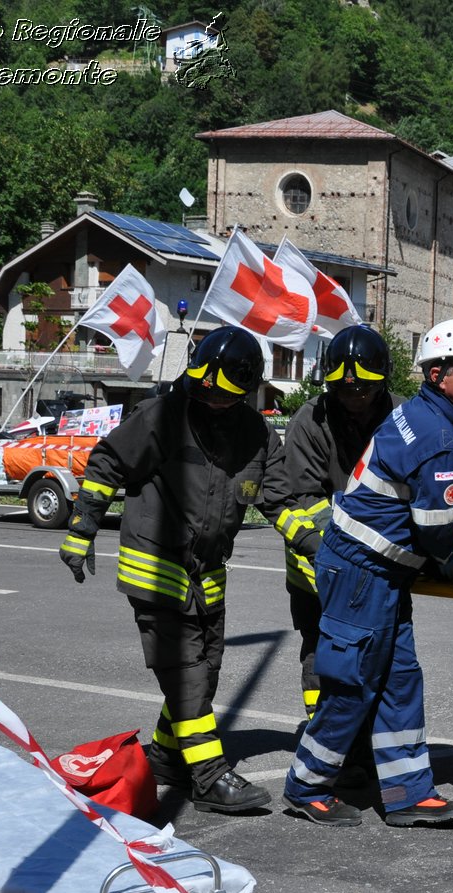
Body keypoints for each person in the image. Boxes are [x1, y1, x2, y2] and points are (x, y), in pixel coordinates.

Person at [60, 325, 319, 814]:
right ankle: (208, 777)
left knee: (208, 670)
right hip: (154, 565)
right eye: (204, 389)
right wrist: (81, 531)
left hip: (208, 573)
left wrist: (314, 544)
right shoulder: (162, 415)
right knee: (185, 676)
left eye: (224, 395)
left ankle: (165, 756)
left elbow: (280, 500)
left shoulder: (257, 434)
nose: (211, 400)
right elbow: (106, 464)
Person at [281, 319, 453, 828]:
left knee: (398, 682)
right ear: (439, 374)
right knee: (352, 687)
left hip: (376, 575)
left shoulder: (417, 414)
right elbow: (441, 534)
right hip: (362, 578)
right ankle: (306, 785)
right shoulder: (438, 437)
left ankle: (407, 792)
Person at [282, 326, 398, 791]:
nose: (355, 398)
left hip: (381, 567)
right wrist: (346, 546)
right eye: (344, 389)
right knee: (323, 656)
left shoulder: (397, 417)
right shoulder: (308, 423)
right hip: (317, 568)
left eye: (365, 388)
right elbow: (301, 497)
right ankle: (327, 742)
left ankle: (362, 742)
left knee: (380, 656)